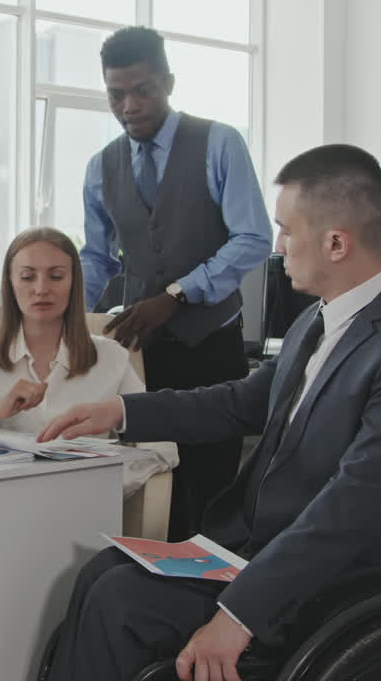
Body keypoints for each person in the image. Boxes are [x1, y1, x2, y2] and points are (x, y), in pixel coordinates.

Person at [38, 144, 381, 680]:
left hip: (336, 582)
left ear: (336, 243)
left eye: (287, 230)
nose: (277, 245)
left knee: (122, 602)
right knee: (102, 572)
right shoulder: (316, 319)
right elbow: (240, 402)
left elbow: (355, 506)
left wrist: (239, 615)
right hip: (257, 550)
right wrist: (121, 412)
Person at [81, 26, 274, 541]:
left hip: (211, 349)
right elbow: (98, 258)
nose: (129, 106)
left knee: (209, 497)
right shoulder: (101, 168)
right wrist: (55, 313)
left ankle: (211, 607)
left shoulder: (219, 142)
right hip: (139, 359)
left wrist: (176, 294)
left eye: (142, 90)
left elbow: (254, 237)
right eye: (116, 95)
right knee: (149, 494)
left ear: (168, 81)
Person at [0, 227, 172, 494]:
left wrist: (106, 486)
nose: (41, 288)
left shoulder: (112, 358)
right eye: (27, 277)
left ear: (74, 283)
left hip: (86, 511)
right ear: (10, 284)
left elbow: (162, 446)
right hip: (4, 506)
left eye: (56, 276)